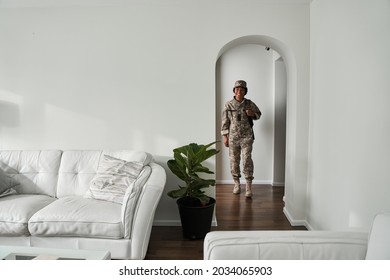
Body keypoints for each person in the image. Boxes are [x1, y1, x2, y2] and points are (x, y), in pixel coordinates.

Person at [221, 80, 262, 198]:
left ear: (245, 92)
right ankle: (237, 184)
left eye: (242, 89)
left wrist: (252, 114)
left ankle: (248, 186)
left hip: (247, 136)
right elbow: (225, 121)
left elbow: (258, 114)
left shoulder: (249, 104)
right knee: (234, 160)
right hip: (233, 137)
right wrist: (225, 136)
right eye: (237, 89)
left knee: (247, 159)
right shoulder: (228, 105)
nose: (239, 91)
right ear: (234, 91)